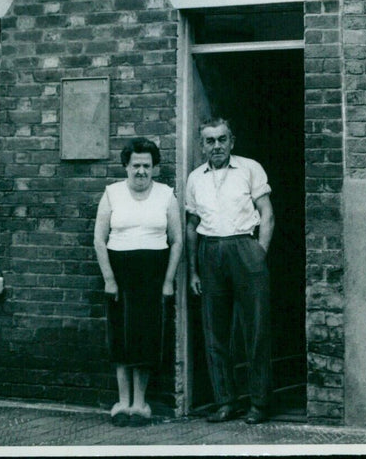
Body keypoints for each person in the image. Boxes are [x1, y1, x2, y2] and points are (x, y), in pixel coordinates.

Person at [185, 117, 274, 425]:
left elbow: (267, 214)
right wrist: (194, 270)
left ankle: (259, 403)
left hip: (244, 248)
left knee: (256, 329)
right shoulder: (195, 178)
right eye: (210, 141)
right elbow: (192, 227)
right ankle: (226, 401)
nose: (217, 146)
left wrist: (258, 253)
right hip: (210, 252)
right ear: (202, 146)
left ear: (231, 141)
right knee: (215, 332)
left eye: (222, 139)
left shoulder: (250, 168)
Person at [94, 137, 183, 426]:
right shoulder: (112, 193)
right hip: (120, 272)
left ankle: (140, 403)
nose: (141, 171)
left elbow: (177, 240)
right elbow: (98, 239)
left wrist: (168, 280)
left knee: (145, 334)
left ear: (154, 168)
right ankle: (122, 402)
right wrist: (109, 277)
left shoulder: (166, 195)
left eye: (147, 165)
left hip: (152, 273)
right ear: (126, 167)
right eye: (136, 165)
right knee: (121, 334)